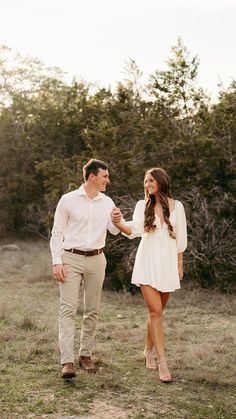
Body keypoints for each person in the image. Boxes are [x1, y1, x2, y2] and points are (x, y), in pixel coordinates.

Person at [112, 167, 187, 383]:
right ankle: (162, 360)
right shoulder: (141, 205)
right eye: (145, 181)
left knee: (158, 311)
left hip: (168, 264)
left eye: (150, 180)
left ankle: (147, 350)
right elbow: (133, 229)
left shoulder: (177, 207)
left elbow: (181, 239)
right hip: (147, 262)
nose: (147, 184)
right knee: (155, 310)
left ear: (161, 182)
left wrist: (180, 265)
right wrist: (118, 223)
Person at [50, 159, 120, 379]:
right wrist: (57, 261)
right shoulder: (68, 200)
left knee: (92, 309)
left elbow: (115, 231)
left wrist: (117, 220)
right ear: (92, 176)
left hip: (97, 259)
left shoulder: (107, 202)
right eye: (104, 176)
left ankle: (86, 355)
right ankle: (67, 361)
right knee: (68, 309)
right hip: (70, 258)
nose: (107, 180)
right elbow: (57, 233)